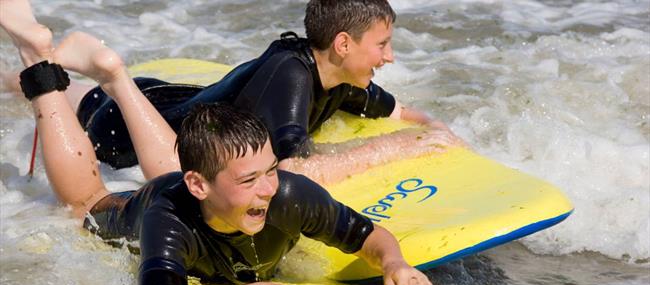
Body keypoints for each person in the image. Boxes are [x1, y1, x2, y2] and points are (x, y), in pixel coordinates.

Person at [0, 0, 438, 285]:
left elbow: (369, 236)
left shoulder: (287, 192)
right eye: (250, 180)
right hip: (139, 194)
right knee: (84, 205)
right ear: (198, 187)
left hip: (184, 121)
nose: (267, 189)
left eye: (268, 173)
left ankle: (100, 76)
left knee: (199, 164)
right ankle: (37, 63)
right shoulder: (168, 221)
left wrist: (394, 263)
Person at [42, 0, 464, 185]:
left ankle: (24, 73)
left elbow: (395, 110)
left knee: (80, 93)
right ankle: (36, 71)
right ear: (343, 44)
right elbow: (296, 170)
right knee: (69, 101)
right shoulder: (291, 77)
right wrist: (403, 150)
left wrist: (432, 126)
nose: (389, 57)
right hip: (131, 136)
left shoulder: (340, 78)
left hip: (164, 96)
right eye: (382, 44)